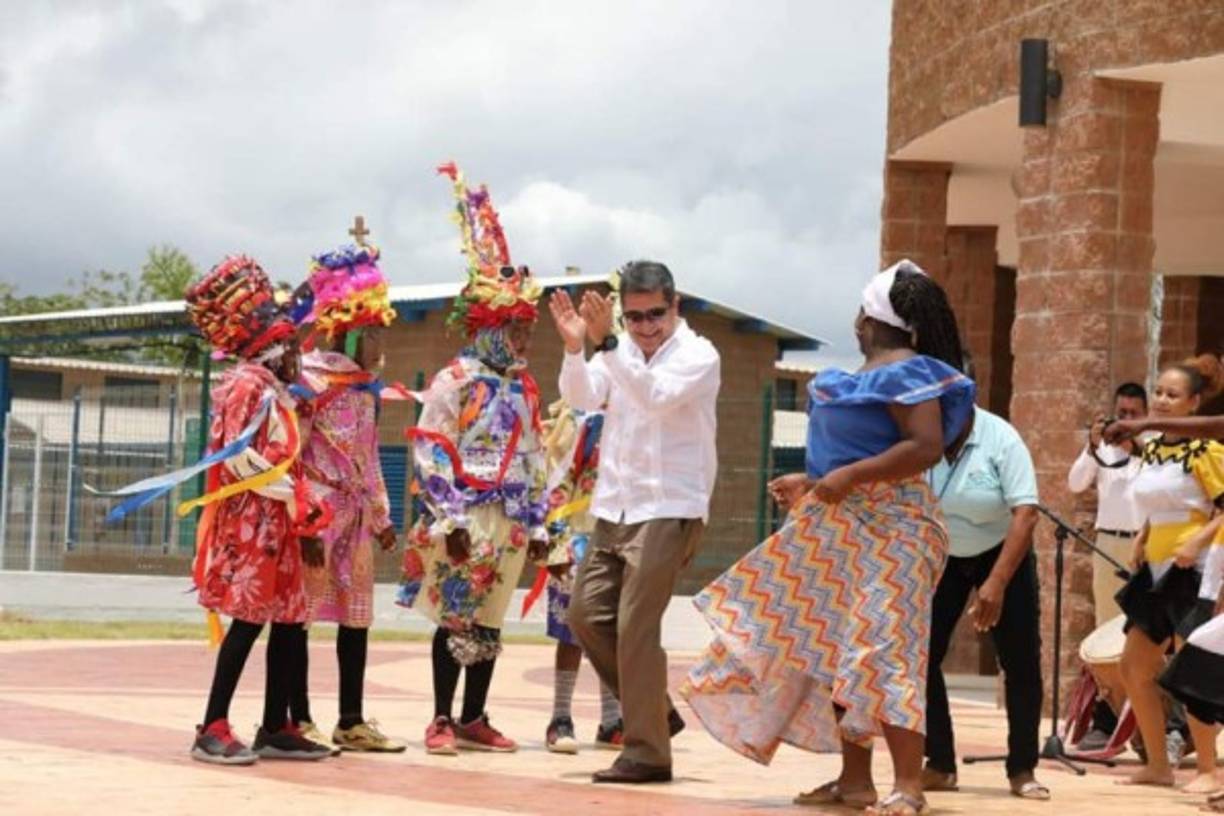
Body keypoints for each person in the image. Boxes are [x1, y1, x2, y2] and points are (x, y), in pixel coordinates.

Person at [680, 259, 975, 816]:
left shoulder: (908, 372)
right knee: (838, 651)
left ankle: (908, 784)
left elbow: (924, 447)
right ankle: (856, 781)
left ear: (868, 315)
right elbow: (861, 454)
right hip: (839, 523)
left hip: (897, 526)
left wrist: (848, 478)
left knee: (884, 647)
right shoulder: (861, 377)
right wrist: (816, 482)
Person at [397, 162, 549, 755]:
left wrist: (538, 524)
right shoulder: (455, 380)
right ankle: (439, 717)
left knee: (491, 617)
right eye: (514, 329)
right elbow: (431, 449)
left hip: (509, 517)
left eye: (526, 329)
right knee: (455, 613)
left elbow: (535, 458)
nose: (523, 341)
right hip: (465, 515)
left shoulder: (525, 387)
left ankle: (475, 715)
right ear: (488, 326)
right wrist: (449, 520)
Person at [550, 259, 720, 784]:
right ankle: (653, 710)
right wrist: (577, 347)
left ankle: (648, 752)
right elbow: (580, 397)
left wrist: (605, 347)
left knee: (634, 628)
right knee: (584, 616)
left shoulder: (698, 355)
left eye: (654, 315)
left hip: (670, 506)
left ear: (676, 307)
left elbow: (655, 397)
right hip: (615, 506)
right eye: (634, 317)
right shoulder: (616, 349)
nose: (645, 327)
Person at [184, 256, 333, 765]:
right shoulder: (246, 384)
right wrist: (289, 492)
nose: (298, 352)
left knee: (290, 621)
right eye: (292, 343)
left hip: (285, 519)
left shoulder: (277, 389)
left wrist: (298, 501)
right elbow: (235, 458)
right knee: (248, 621)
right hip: (256, 521)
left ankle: (276, 724)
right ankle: (213, 724)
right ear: (270, 343)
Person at [289, 243, 405, 753]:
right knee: (300, 614)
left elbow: (370, 454)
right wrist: (304, 523)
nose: (381, 344)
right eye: (374, 333)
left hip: (356, 514)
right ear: (349, 331)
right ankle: (298, 716)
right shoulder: (311, 381)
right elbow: (289, 457)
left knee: (357, 614)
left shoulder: (364, 387)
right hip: (317, 510)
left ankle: (351, 719)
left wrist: (382, 515)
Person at [921, 402, 1047, 800]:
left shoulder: (1001, 437)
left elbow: (1026, 513)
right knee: (919, 655)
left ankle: (1022, 769)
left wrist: (996, 582)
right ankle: (939, 764)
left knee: (1020, 659)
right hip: (943, 552)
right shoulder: (920, 433)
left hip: (1000, 550)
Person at [1116, 355, 1224, 791]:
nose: (1160, 400)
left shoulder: (1209, 450)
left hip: (1194, 571)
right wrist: (1142, 537)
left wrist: (1197, 541)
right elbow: (1160, 504)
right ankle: (1158, 764)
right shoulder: (1156, 447)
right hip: (1157, 570)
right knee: (1132, 667)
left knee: (1190, 668)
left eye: (1171, 395)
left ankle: (1208, 770)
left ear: (1195, 402)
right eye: (1158, 391)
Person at [534, 402, 624, 753]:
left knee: (612, 632)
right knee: (571, 634)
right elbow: (557, 481)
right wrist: (556, 546)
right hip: (578, 537)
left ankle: (613, 720)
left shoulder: (638, 416)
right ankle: (560, 718)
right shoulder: (579, 421)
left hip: (619, 537)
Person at [1067, 382, 1147, 752]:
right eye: (1122, 413)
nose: (1126, 420)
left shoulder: (1154, 447)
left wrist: (1138, 447)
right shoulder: (1105, 449)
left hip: (1146, 545)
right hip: (1109, 541)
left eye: (1133, 414)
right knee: (1106, 633)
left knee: (1148, 635)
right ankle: (1106, 720)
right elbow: (1075, 483)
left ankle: (1153, 728)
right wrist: (1093, 445)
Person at [1158, 513, 1224, 812]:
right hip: (1211, 589)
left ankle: (1209, 772)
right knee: (1193, 668)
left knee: (1194, 661)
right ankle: (1207, 771)